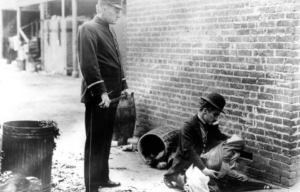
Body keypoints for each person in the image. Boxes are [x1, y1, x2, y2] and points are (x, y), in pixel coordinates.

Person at [77, 0, 131, 192]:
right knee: (95, 141)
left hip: (112, 96)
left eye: (120, 11)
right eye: (116, 10)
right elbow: (88, 64)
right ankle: (91, 186)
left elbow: (116, 61)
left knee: (106, 139)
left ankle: (102, 177)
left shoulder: (109, 29)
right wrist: (101, 92)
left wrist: (123, 85)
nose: (119, 14)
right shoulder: (88, 28)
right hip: (99, 98)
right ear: (101, 8)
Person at [164, 92, 247, 192]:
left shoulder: (210, 123)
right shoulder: (188, 126)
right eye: (215, 115)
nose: (216, 118)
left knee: (224, 182)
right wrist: (205, 170)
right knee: (205, 187)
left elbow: (219, 137)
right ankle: (172, 177)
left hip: (203, 159)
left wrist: (233, 140)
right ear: (205, 111)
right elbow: (189, 152)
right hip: (188, 163)